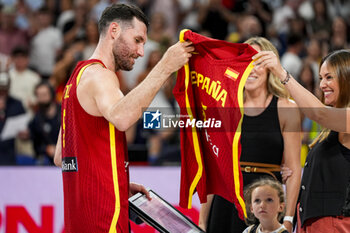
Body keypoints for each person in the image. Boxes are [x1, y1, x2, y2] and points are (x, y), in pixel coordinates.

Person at [53, 3, 193, 233]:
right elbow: (123, 117)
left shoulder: (76, 78)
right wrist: (165, 66)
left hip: (80, 220)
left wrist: (115, 181)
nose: (140, 52)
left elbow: (62, 156)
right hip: (102, 221)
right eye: (138, 40)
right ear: (114, 31)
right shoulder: (100, 76)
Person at [199, 37, 301, 233]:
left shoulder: (286, 109)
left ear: (271, 66)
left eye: (258, 63)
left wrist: (288, 219)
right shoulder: (223, 107)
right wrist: (202, 222)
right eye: (245, 63)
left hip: (266, 204)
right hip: (225, 203)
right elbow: (213, 173)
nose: (251, 69)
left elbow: (294, 170)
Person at [252, 49, 350, 232]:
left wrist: (282, 74)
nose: (322, 85)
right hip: (313, 224)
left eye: (329, 77)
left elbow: (319, 113)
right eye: (320, 78)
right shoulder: (331, 128)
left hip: (336, 224)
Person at [29, 81, 60, 165]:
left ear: (52, 94)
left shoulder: (64, 111)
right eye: (39, 96)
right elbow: (36, 146)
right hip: (47, 161)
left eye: (45, 95)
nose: (42, 98)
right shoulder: (36, 119)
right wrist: (46, 149)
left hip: (68, 156)